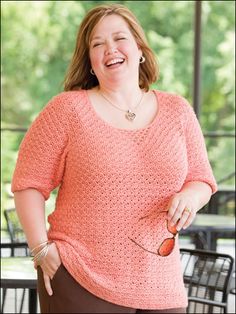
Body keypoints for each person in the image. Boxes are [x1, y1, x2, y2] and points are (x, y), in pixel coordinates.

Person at [11, 3, 217, 314]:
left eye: (120, 38)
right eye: (97, 44)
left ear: (139, 49)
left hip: (161, 284)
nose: (110, 49)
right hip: (80, 278)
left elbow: (202, 179)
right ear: (90, 62)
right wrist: (40, 249)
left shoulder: (178, 111)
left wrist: (190, 195)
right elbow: (28, 184)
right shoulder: (66, 110)